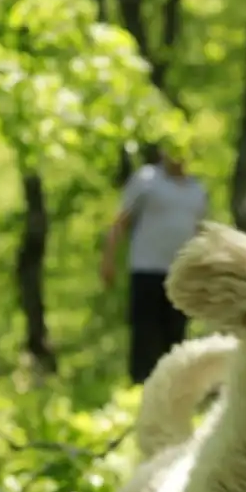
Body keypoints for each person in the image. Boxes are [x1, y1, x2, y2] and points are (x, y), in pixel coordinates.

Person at [101, 145, 209, 385]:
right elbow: (121, 221)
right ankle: (139, 388)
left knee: (176, 336)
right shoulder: (146, 179)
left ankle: (173, 390)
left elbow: (200, 230)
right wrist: (108, 259)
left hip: (181, 273)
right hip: (146, 269)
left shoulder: (197, 190)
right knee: (145, 334)